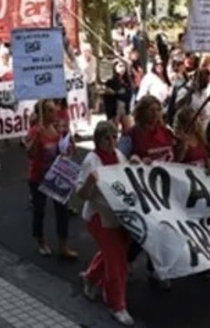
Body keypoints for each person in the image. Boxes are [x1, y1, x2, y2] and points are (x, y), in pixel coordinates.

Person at [77, 121, 135, 326]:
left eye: (114, 137)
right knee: (117, 262)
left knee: (113, 254)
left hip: (118, 216)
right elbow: (81, 195)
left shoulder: (119, 156)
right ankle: (116, 304)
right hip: (99, 217)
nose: (112, 142)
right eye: (106, 138)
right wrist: (90, 182)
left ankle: (91, 277)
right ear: (97, 140)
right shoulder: (92, 161)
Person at [118, 94, 174, 287]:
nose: (155, 113)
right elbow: (119, 160)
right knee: (143, 232)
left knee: (161, 231)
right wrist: (138, 162)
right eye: (151, 110)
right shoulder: (131, 135)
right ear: (141, 112)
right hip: (141, 191)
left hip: (163, 192)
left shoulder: (166, 132)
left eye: (158, 109)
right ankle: (127, 260)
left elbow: (175, 157)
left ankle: (156, 269)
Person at [24, 100, 78, 259]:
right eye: (49, 111)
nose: (54, 113)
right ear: (42, 113)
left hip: (56, 176)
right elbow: (30, 155)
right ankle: (40, 241)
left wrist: (69, 137)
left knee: (62, 210)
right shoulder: (35, 131)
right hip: (38, 177)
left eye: (54, 110)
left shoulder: (57, 129)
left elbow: (69, 150)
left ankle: (63, 246)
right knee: (39, 211)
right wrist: (36, 137)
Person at [173, 106, 210, 171]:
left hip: (202, 174)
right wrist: (183, 145)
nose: (195, 124)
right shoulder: (178, 138)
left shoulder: (199, 136)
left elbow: (205, 155)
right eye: (191, 121)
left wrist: (209, 162)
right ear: (183, 124)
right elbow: (177, 160)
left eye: (196, 120)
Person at [103, 60, 133, 127]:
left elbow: (128, 97)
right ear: (114, 67)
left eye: (123, 66)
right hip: (114, 110)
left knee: (128, 130)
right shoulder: (110, 81)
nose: (122, 68)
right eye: (120, 66)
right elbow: (107, 99)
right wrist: (109, 115)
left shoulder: (127, 80)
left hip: (125, 109)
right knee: (114, 130)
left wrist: (115, 94)